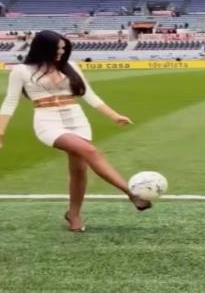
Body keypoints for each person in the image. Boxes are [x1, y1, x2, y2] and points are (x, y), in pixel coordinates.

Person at [0, 30, 151, 232]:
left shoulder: (71, 66)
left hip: (77, 119)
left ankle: (74, 214)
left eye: (63, 49)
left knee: (79, 170)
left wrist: (114, 116)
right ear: (43, 48)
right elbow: (10, 102)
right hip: (47, 122)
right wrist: (1, 132)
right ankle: (131, 193)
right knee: (90, 151)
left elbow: (90, 96)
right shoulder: (21, 70)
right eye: (57, 49)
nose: (61, 52)